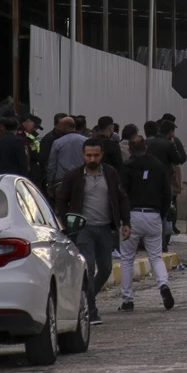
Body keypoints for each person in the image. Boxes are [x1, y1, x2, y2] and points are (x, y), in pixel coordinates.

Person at [56, 139, 130, 324]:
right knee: (88, 268)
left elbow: (121, 198)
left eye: (96, 155)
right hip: (83, 230)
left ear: (102, 155)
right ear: (83, 155)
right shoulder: (74, 176)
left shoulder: (111, 174)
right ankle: (92, 310)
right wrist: (67, 223)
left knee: (105, 269)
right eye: (89, 155)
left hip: (105, 228)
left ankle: (86, 298)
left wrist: (126, 222)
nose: (92, 159)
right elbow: (61, 201)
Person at [117, 136, 175, 313]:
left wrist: (122, 217)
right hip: (153, 215)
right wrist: (162, 213)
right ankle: (163, 284)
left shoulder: (126, 167)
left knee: (127, 258)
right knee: (155, 256)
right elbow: (167, 193)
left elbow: (121, 193)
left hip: (131, 216)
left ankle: (127, 300)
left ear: (131, 150)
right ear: (146, 148)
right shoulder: (159, 166)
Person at [146, 119, 186, 248]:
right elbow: (178, 159)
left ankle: (147, 242)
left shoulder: (148, 142)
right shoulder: (169, 144)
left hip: (148, 181)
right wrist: (173, 144)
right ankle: (162, 243)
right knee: (165, 212)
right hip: (164, 183)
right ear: (170, 132)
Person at [46, 117, 88, 195]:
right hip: (82, 180)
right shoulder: (86, 141)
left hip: (62, 182)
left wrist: (50, 184)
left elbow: (52, 165)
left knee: (61, 206)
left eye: (59, 126)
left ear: (65, 127)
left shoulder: (57, 143)